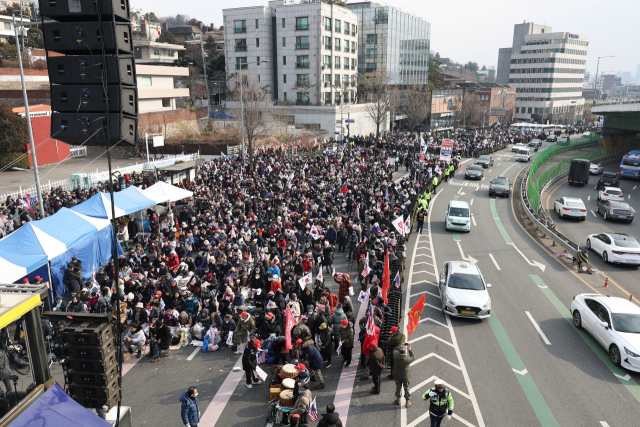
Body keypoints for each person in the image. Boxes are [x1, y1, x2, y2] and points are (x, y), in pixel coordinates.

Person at [392, 343, 414, 407]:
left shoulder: (396, 356)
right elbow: (413, 357)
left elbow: (394, 350)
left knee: (398, 387)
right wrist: (410, 350)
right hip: (405, 377)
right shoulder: (407, 360)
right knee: (406, 388)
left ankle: (398, 399)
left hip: (397, 375)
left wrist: (400, 345)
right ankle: (407, 401)